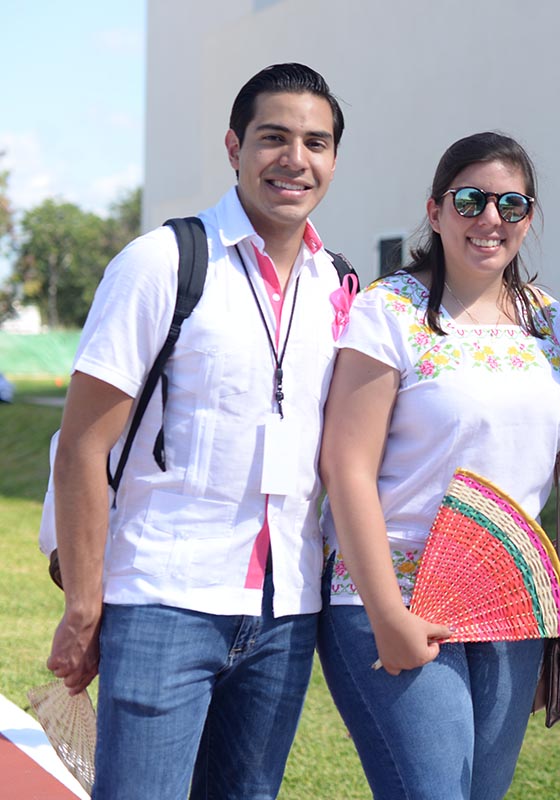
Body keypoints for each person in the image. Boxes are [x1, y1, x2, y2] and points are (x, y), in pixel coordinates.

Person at [45, 63, 348, 799]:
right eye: (274, 138)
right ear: (234, 147)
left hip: (285, 613)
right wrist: (84, 605)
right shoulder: (162, 263)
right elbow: (84, 442)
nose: (295, 159)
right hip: (162, 601)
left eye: (316, 142)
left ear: (334, 159)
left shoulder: (340, 286)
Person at [317, 131, 560, 800]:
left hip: (505, 600)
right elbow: (346, 466)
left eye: (512, 205)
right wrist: (387, 615)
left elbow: (551, 441)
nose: (491, 219)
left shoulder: (544, 321)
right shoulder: (390, 310)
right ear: (435, 212)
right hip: (396, 591)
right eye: (471, 200)